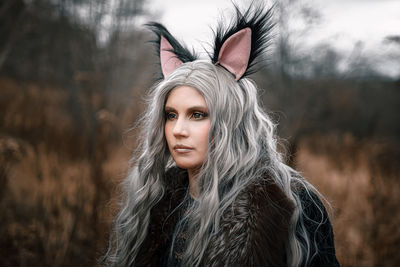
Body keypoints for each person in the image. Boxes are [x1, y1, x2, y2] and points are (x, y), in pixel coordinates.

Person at [102, 4, 339, 267]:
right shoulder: (155, 198)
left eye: (197, 115)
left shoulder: (293, 205)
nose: (178, 130)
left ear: (231, 122)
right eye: (171, 115)